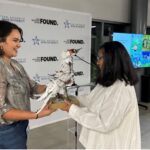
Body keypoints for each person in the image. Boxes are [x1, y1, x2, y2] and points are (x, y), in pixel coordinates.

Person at [60, 41, 141, 149]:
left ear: (112, 60)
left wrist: (72, 109)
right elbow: (91, 100)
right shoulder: (109, 81)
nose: (97, 62)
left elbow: (104, 123)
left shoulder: (121, 88)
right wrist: (75, 100)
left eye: (100, 58)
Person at [0, 20, 56, 149]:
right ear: (1, 42)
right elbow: (1, 110)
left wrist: (52, 87)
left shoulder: (16, 65)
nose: (19, 45)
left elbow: (33, 88)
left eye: (19, 41)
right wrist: (36, 115)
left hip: (20, 126)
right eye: (15, 40)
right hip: (6, 131)